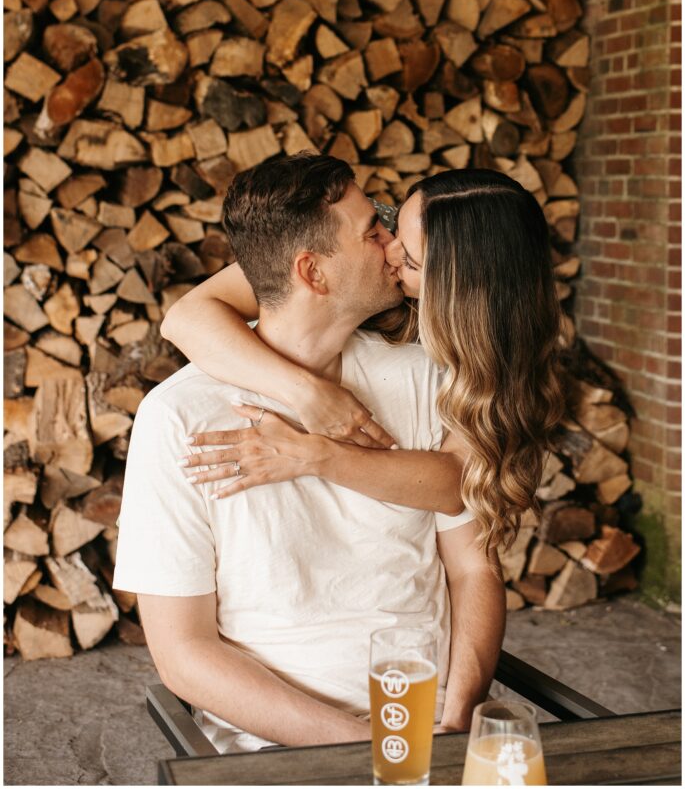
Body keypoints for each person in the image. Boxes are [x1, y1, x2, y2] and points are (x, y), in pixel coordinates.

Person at [113, 153, 505, 754]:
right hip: (278, 749)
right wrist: (368, 747)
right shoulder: (179, 417)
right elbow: (184, 654)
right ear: (313, 273)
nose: (392, 242)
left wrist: (453, 717)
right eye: (371, 229)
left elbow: (473, 566)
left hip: (433, 720)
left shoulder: (426, 377)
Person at [162, 164, 563, 555]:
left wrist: (317, 455)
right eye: (391, 226)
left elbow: (459, 483)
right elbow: (186, 317)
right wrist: (307, 394)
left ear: (456, 294)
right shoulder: (354, 258)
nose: (388, 249)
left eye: (409, 260)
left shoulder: (493, 356)